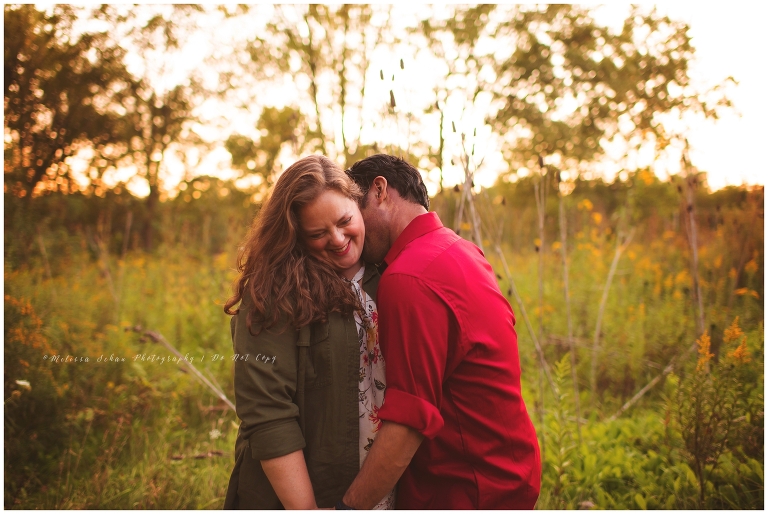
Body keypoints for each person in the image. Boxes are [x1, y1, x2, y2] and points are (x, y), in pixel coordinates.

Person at [336, 154, 541, 509]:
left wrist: (348, 508)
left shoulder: (407, 276)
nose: (352, 231)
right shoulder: (462, 250)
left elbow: (407, 422)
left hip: (465, 488)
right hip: (509, 471)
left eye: (352, 213)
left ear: (380, 190)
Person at [222, 155, 394, 509]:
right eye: (317, 233)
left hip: (383, 486)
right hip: (304, 493)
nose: (338, 239)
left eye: (345, 221)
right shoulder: (274, 295)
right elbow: (268, 415)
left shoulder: (392, 277)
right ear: (295, 236)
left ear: (358, 204)